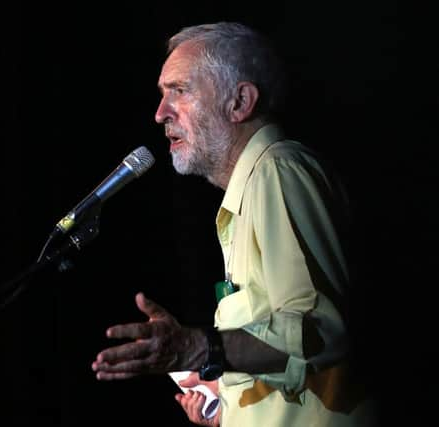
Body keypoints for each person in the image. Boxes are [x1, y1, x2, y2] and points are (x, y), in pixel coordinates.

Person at [91, 21, 377, 426]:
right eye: (162, 94)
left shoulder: (277, 171)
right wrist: (229, 400)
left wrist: (196, 348)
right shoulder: (250, 190)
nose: (159, 114)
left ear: (240, 101)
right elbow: (289, 351)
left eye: (180, 91)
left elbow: (321, 331)